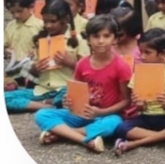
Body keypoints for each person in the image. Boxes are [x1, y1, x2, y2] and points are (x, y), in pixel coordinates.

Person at [33, 15, 131, 153]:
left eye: (106, 36)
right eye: (96, 36)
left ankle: (61, 133)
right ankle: (84, 139)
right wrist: (68, 100)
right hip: (81, 114)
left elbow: (126, 101)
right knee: (42, 115)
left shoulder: (121, 66)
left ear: (114, 39)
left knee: (114, 124)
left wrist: (101, 112)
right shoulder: (82, 64)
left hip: (106, 115)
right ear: (88, 40)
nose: (101, 41)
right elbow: (74, 91)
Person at [113, 28, 165, 155]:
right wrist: (139, 104)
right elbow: (140, 108)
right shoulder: (139, 73)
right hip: (145, 118)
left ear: (162, 53)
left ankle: (135, 143)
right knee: (121, 128)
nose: (142, 57)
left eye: (147, 52)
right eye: (141, 52)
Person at [4, 0, 85, 114]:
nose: (48, 25)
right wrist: (35, 68)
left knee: (71, 98)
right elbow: (33, 71)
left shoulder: (78, 40)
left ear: (66, 19)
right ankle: (47, 106)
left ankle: (47, 104)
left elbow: (88, 72)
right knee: (5, 97)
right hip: (42, 90)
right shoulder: (41, 40)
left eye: (53, 21)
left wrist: (70, 63)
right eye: (45, 21)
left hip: (65, 89)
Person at [4, 0, 44, 65]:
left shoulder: (40, 26)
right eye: (12, 12)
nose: (16, 15)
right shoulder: (10, 26)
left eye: (19, 11)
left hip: (34, 66)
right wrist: (6, 50)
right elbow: (5, 44)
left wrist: (36, 52)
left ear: (31, 6)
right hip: (14, 65)